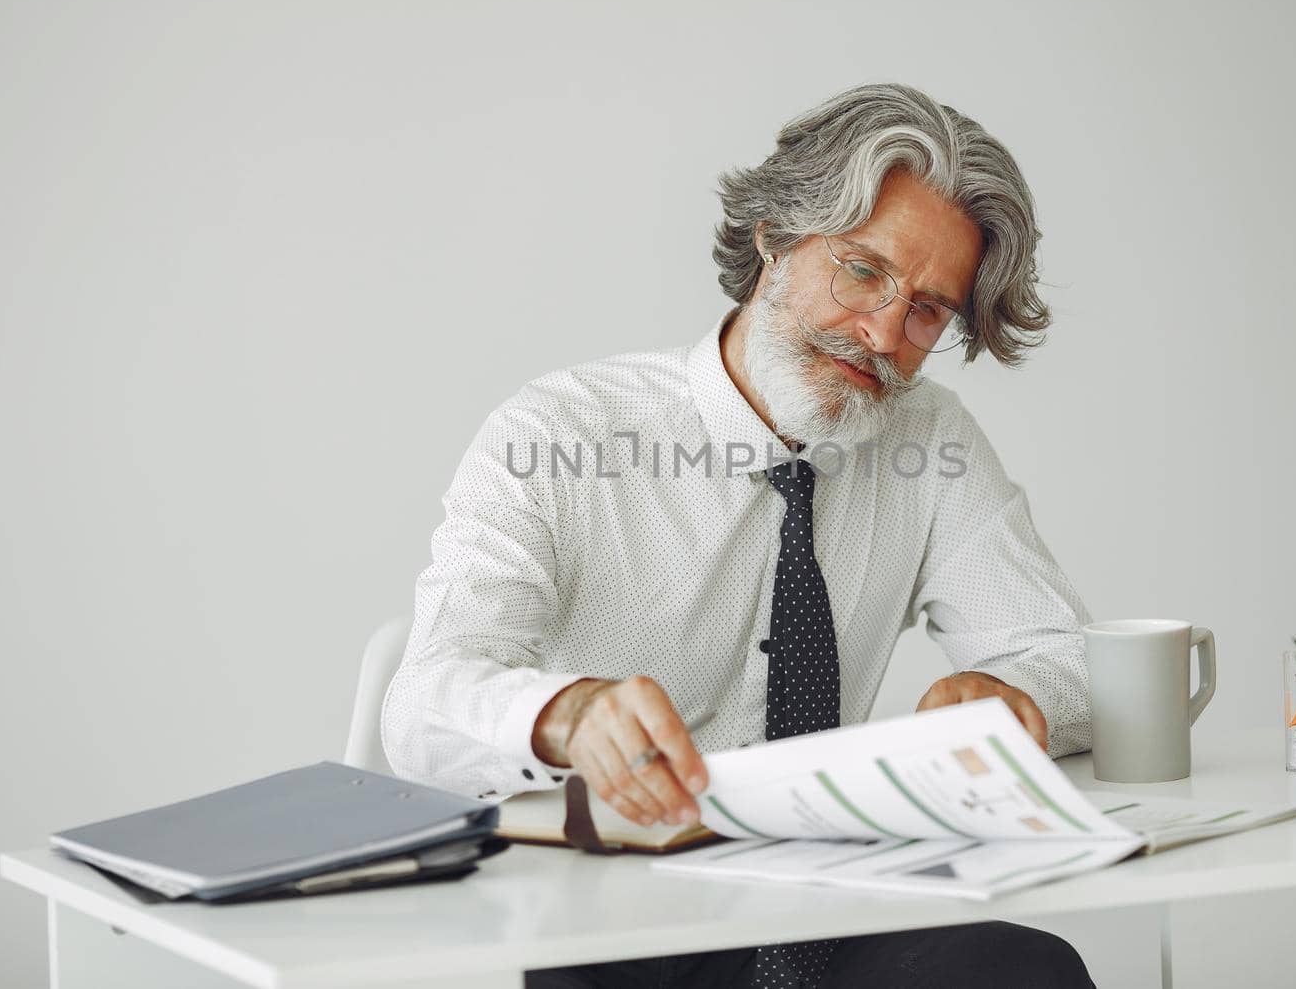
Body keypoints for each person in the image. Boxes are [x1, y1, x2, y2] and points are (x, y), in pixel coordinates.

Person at [381, 82, 1097, 988]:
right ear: (775, 238)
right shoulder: (560, 432)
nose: (882, 331)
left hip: (826, 903)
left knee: (1022, 968)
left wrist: (1011, 691)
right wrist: (565, 716)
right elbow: (424, 699)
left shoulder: (932, 439)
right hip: (608, 919)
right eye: (863, 270)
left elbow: (1067, 655)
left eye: (926, 312)